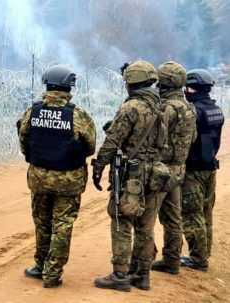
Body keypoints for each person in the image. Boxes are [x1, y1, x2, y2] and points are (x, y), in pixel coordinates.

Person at [18, 65, 96, 288]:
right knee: (62, 225)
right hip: (69, 179)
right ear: (69, 87)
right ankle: (52, 274)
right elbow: (90, 147)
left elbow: (24, 140)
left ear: (47, 85)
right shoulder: (78, 115)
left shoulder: (33, 111)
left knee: (42, 223)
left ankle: (40, 266)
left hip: (39, 178)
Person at [92, 60, 166, 292]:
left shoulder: (131, 107)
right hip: (155, 171)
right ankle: (142, 275)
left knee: (121, 219)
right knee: (146, 225)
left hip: (131, 173)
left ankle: (120, 274)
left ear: (131, 82)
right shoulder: (161, 107)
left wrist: (99, 165)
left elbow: (113, 141)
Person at [151, 62, 197, 275]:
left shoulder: (165, 108)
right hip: (178, 170)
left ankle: (140, 264)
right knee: (173, 218)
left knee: (146, 217)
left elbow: (153, 138)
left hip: (160, 170)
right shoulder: (189, 107)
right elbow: (193, 137)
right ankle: (172, 260)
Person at [181, 69, 224, 272]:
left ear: (192, 88)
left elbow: (185, 141)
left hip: (193, 170)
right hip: (210, 168)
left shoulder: (193, 112)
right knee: (206, 212)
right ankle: (203, 253)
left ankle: (198, 259)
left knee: (192, 214)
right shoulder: (216, 110)